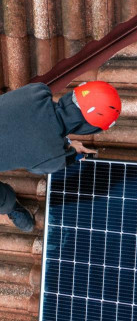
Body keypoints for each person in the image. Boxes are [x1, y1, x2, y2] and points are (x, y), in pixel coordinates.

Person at [0, 81, 121, 232]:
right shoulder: (53, 158)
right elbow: (37, 167)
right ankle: (9, 206)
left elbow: (37, 122)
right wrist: (72, 155)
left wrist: (64, 146)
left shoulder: (37, 90)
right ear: (88, 129)